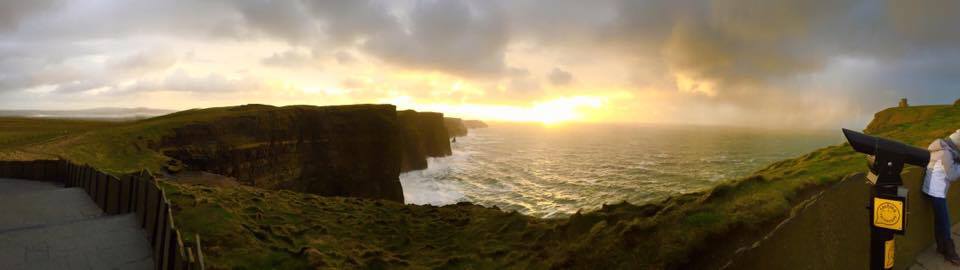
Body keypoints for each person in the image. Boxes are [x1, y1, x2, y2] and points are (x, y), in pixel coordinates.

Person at [923, 129, 960, 264]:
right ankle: (951, 253)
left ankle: (940, 247)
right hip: (937, 192)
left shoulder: (940, 149)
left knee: (940, 221)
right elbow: (952, 175)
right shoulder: (946, 154)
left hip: (931, 189)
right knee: (945, 222)